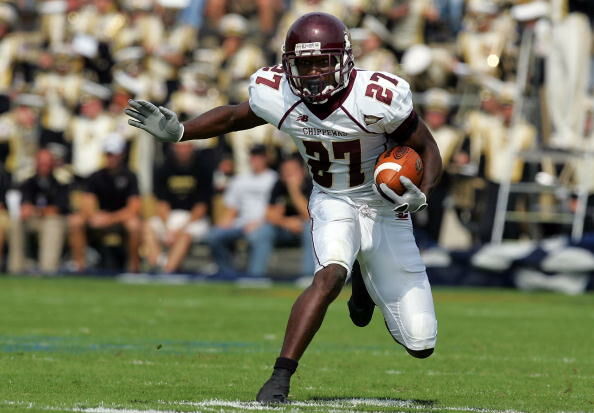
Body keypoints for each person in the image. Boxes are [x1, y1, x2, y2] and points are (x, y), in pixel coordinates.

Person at [126, 12, 442, 403]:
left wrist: (421, 192)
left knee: (421, 342)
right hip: (333, 199)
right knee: (328, 277)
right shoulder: (278, 93)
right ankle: (280, 376)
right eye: (303, 63)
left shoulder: (378, 97)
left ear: (343, 59)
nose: (311, 73)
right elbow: (234, 115)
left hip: (385, 207)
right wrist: (181, 131)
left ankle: (365, 279)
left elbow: (427, 148)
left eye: (320, 62)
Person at [68, 133, 142, 272]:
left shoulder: (130, 176)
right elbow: (87, 203)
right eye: (108, 154)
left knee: (134, 225)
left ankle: (134, 267)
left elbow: (134, 208)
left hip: (120, 219)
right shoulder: (95, 176)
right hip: (100, 218)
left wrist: (110, 219)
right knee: (75, 221)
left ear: (122, 154)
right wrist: (94, 216)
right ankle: (80, 266)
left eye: (113, 154)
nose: (111, 157)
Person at [205, 144, 277, 276]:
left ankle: (255, 275)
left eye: (259, 157)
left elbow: (275, 209)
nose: (255, 160)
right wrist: (222, 224)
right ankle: (227, 272)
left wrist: (259, 223)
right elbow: (231, 208)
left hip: (264, 224)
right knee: (214, 235)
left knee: (258, 236)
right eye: (253, 157)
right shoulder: (240, 179)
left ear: (265, 159)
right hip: (241, 224)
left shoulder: (274, 179)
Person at [144, 141, 213, 273]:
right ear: (174, 148)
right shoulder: (164, 168)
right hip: (170, 216)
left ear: (192, 148)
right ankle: (156, 264)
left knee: (185, 236)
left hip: (194, 219)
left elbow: (201, 207)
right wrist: (168, 227)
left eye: (186, 147)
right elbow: (161, 203)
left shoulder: (203, 169)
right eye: (180, 147)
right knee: (148, 226)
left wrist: (178, 230)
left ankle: (168, 270)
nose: (183, 150)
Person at [249, 153, 314, 278]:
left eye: (292, 171)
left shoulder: (311, 186)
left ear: (302, 171)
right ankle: (255, 276)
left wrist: (293, 191)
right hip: (285, 229)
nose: (288, 175)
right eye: (285, 171)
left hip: (304, 229)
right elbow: (269, 215)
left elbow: (309, 216)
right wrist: (286, 222)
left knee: (309, 229)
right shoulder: (278, 185)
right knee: (264, 230)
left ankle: (308, 276)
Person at [9, 149, 69, 273]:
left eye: (47, 163)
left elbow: (58, 209)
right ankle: (16, 267)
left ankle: (48, 268)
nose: (44, 166)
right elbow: (25, 204)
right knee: (16, 222)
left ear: (53, 164)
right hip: (34, 220)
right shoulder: (28, 182)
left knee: (52, 224)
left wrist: (37, 210)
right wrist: (27, 209)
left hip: (53, 221)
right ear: (36, 164)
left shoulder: (61, 182)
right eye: (41, 163)